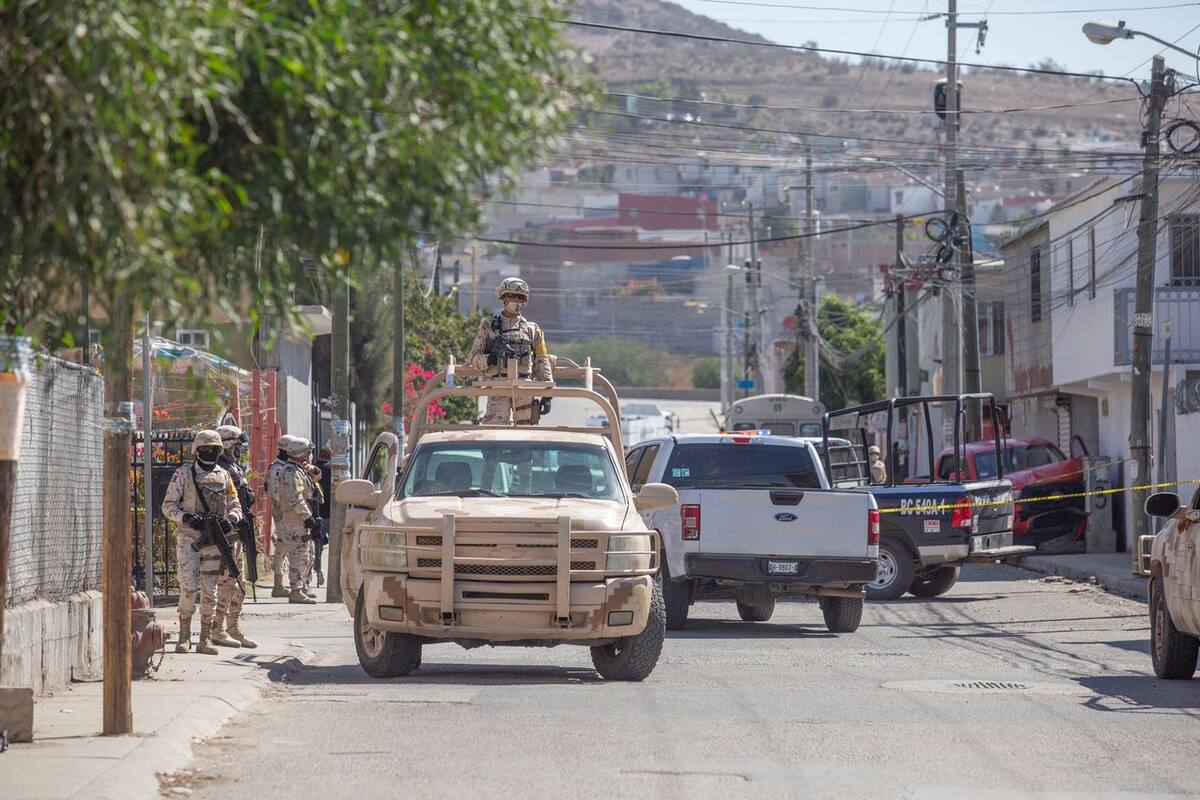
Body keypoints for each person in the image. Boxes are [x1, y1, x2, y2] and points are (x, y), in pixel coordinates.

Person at [162, 430, 244, 655]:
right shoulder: (184, 474)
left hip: (215, 540)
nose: (210, 453)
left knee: (210, 591)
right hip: (190, 538)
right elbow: (168, 506)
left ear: (219, 451)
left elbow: (235, 504)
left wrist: (230, 521)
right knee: (188, 588)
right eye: (205, 449)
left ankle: (205, 638)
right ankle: (184, 636)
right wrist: (186, 517)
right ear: (197, 451)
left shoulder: (224, 476)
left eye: (214, 449)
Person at [468, 277, 552, 425]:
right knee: (494, 432)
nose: (516, 300)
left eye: (520, 297)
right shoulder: (488, 326)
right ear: (503, 297)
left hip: (525, 386)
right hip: (498, 385)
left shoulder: (533, 329)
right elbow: (473, 357)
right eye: (511, 295)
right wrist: (489, 359)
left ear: (525, 300)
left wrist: (547, 393)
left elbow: (541, 360)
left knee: (525, 434)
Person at [214, 424, 257, 648]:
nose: (241, 450)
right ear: (228, 445)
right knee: (227, 581)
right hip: (227, 533)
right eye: (238, 445)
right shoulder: (220, 469)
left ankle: (232, 626)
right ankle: (217, 628)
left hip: (239, 529)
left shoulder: (233, 467)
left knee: (239, 581)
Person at [266, 434, 320, 604]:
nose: (310, 455)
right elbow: (294, 498)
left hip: (297, 517)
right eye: (308, 452)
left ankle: (300, 586)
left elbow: (313, 482)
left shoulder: (297, 469)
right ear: (302, 453)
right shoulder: (289, 471)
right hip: (293, 518)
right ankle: (295, 589)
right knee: (297, 552)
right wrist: (308, 517)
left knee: (304, 552)